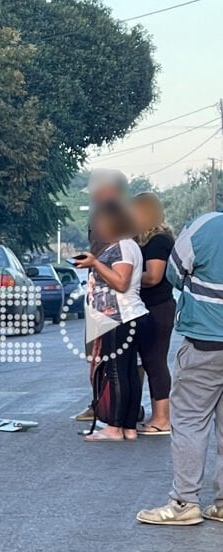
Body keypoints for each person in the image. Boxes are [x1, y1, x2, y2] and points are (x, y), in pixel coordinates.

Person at [137, 211, 223, 525]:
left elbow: (173, 273)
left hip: (205, 342)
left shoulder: (204, 226)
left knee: (189, 421)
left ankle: (185, 502)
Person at [74, 201, 148, 441]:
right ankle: (128, 427)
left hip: (121, 318)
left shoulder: (123, 247)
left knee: (117, 373)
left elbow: (121, 282)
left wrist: (95, 263)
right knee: (127, 373)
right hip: (123, 317)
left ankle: (115, 428)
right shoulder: (125, 246)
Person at [75, 169, 130, 422]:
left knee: (117, 361)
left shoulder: (124, 220)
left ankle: (116, 410)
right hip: (97, 294)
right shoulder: (100, 215)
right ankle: (100, 403)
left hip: (115, 302)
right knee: (96, 356)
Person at [131, 192, 175, 435]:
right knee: (140, 361)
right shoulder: (141, 240)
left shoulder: (159, 240)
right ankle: (135, 410)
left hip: (158, 307)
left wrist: (124, 277)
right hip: (144, 308)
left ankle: (162, 418)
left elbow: (154, 276)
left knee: (154, 361)